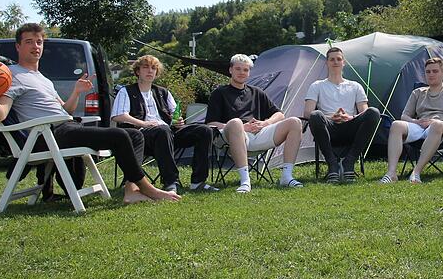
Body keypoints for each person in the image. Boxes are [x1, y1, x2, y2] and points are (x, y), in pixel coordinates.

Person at [0, 23, 180, 204]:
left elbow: (66, 110)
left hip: (65, 128)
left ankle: (131, 190)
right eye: (29, 42)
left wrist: (77, 92)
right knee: (119, 135)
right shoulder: (12, 75)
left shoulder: (42, 78)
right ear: (18, 46)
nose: (36, 46)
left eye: (39, 42)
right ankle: (148, 189)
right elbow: (0, 114)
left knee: (134, 135)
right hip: (47, 135)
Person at [112, 55, 218, 194]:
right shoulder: (126, 91)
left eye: (153, 68)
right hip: (141, 136)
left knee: (204, 130)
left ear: (157, 72)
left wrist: (179, 121)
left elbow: (175, 115)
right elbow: (118, 116)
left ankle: (198, 182)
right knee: (162, 130)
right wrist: (144, 123)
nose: (150, 71)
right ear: (138, 71)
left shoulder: (163, 92)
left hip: (168, 134)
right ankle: (170, 181)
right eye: (145, 67)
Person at [205, 54, 303, 193]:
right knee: (236, 122)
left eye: (245, 70)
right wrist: (240, 127)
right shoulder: (219, 93)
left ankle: (286, 176)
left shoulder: (257, 92)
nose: (241, 73)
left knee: (295, 122)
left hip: (257, 134)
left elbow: (280, 114)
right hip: (230, 135)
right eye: (238, 69)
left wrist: (265, 123)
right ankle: (245, 181)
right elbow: (210, 123)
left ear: (249, 73)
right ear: (231, 70)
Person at [379, 57, 443, 184]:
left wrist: (440, 121)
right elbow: (404, 116)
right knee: (396, 124)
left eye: (435, 71)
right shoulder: (418, 92)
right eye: (428, 72)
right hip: (420, 125)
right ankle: (391, 173)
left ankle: (416, 172)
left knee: (437, 124)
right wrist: (416, 122)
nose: (431, 74)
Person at [304, 47, 381, 183]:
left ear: (343, 62)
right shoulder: (317, 85)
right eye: (332, 59)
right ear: (326, 63)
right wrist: (329, 118)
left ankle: (349, 161)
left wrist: (349, 118)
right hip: (328, 128)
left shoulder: (355, 86)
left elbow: (364, 110)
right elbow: (307, 113)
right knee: (316, 115)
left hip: (350, 127)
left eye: (338, 59)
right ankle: (332, 164)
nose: (335, 62)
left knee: (373, 112)